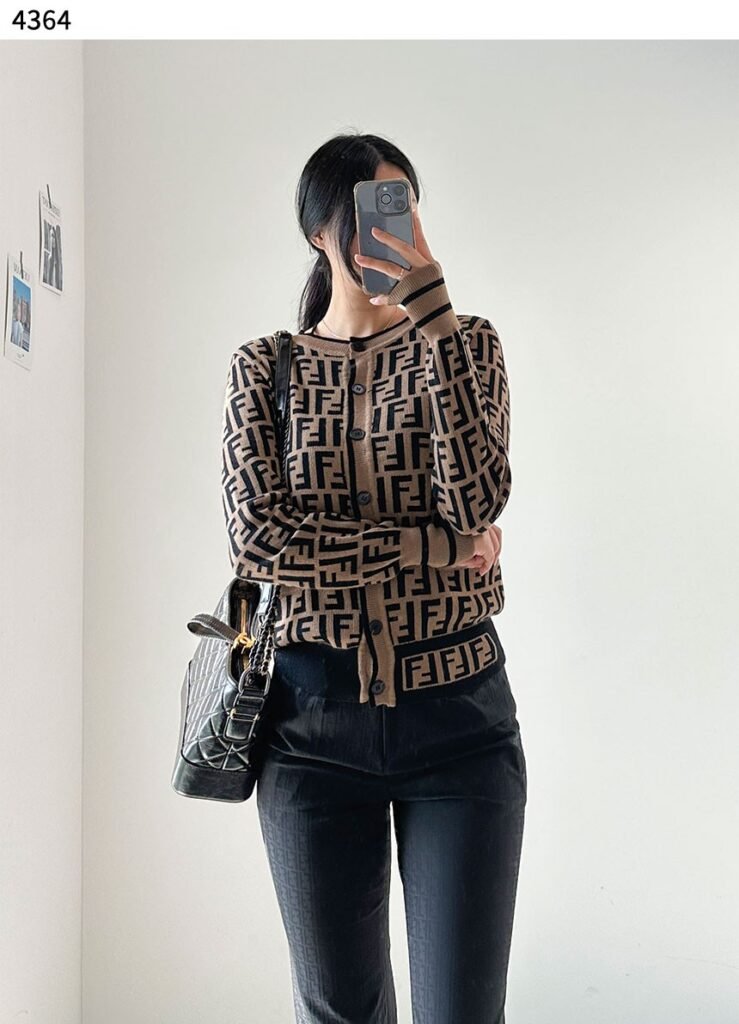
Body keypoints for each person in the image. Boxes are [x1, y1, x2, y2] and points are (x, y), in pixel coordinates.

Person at [221, 131, 527, 1024]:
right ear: (319, 229)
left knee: (461, 1012)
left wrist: (434, 318)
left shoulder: (467, 344)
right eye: (365, 210)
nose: (386, 229)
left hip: (458, 719)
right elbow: (260, 542)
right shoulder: (263, 367)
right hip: (308, 725)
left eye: (402, 206)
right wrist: (433, 549)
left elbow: (476, 499)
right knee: (337, 1013)